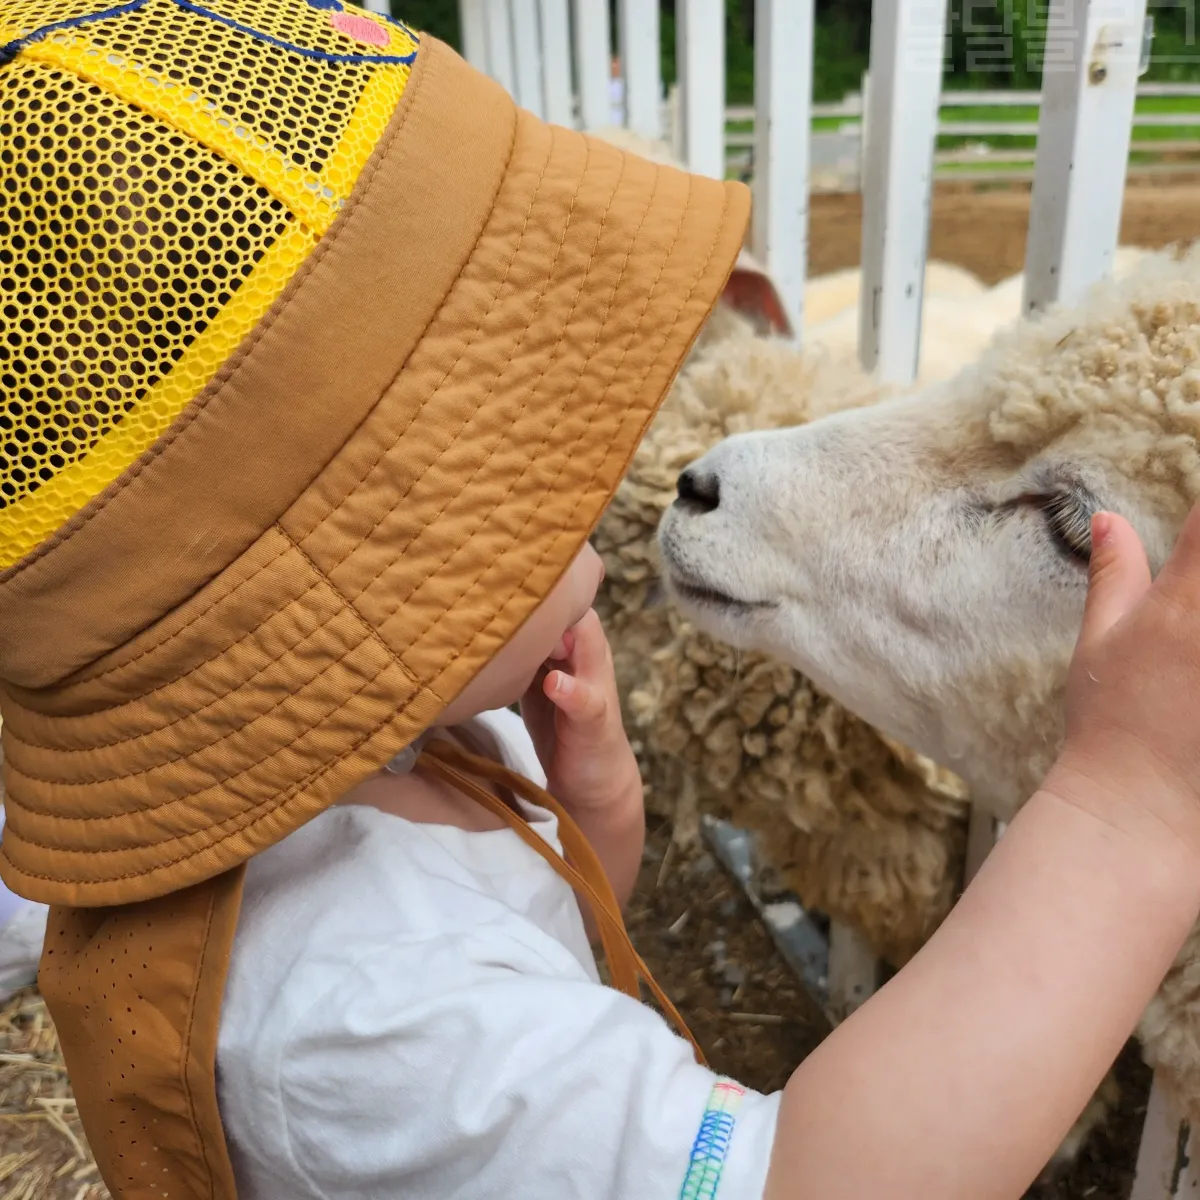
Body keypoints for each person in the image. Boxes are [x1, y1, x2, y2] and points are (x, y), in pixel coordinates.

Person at [2, 4, 1200, 1200]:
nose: (608, 456)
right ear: (356, 593)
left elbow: (537, 937)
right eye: (533, 436)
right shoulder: (367, 1022)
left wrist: (592, 816)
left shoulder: (399, 758)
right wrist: (1126, 809)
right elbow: (800, 1183)